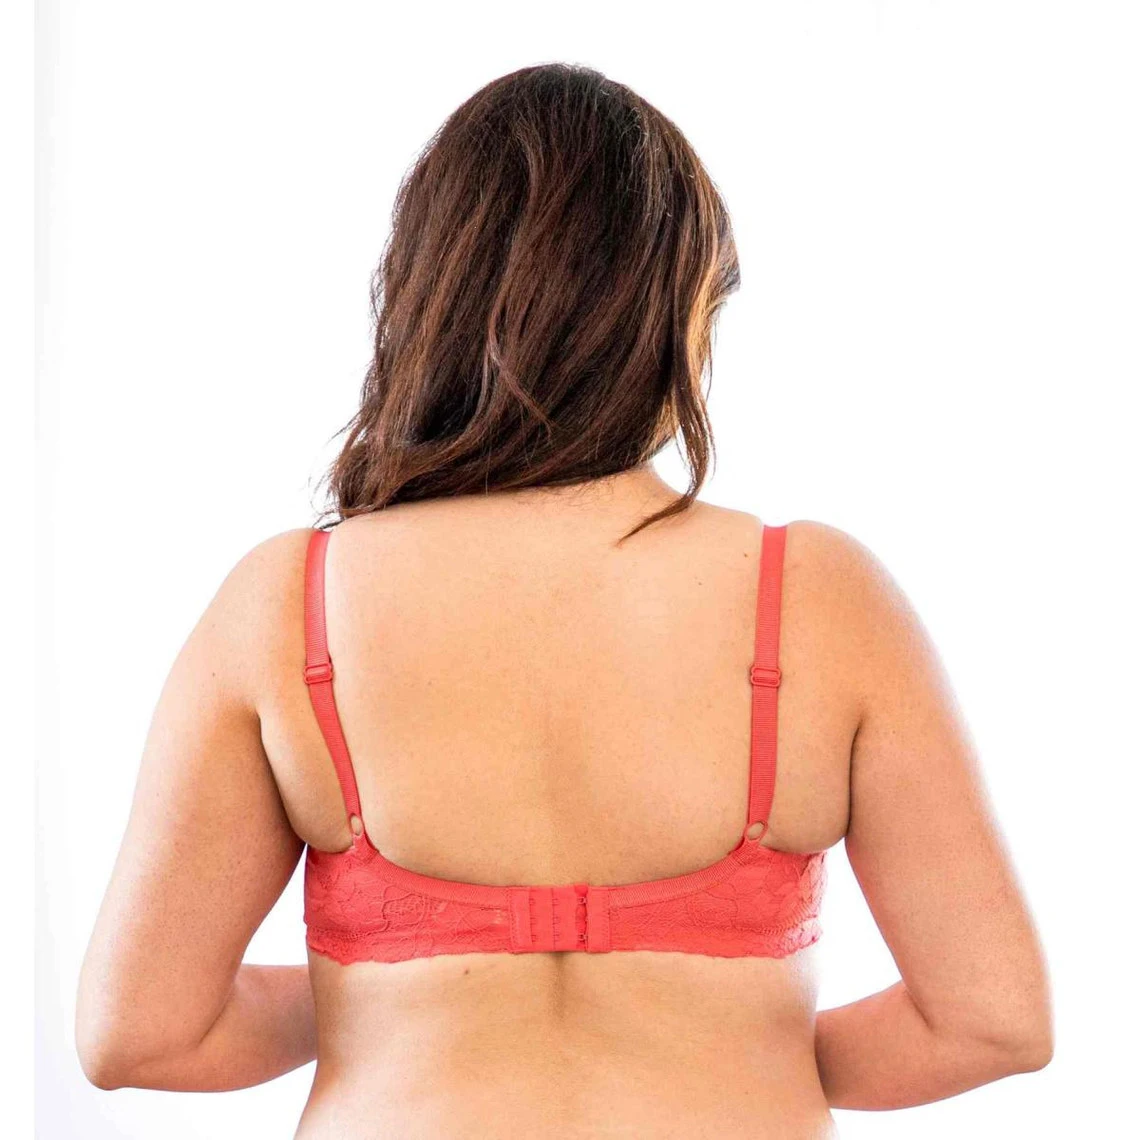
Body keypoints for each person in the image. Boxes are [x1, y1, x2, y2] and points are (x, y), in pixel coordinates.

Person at [75, 63, 1052, 1138]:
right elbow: (992, 1022)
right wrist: (745, 1049)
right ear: (678, 313)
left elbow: (141, 1035)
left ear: (426, 297)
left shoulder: (288, 602)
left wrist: (380, 998)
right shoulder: (819, 596)